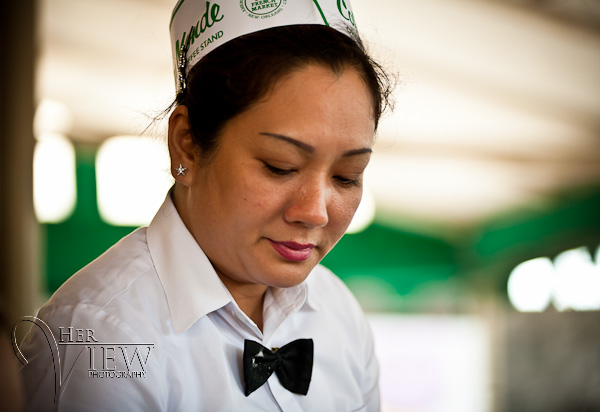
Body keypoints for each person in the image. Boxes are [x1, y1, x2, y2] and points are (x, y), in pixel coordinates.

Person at [18, 1, 392, 410]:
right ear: (187, 143)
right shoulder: (99, 337)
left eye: (347, 176)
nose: (316, 211)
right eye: (279, 166)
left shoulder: (339, 313)